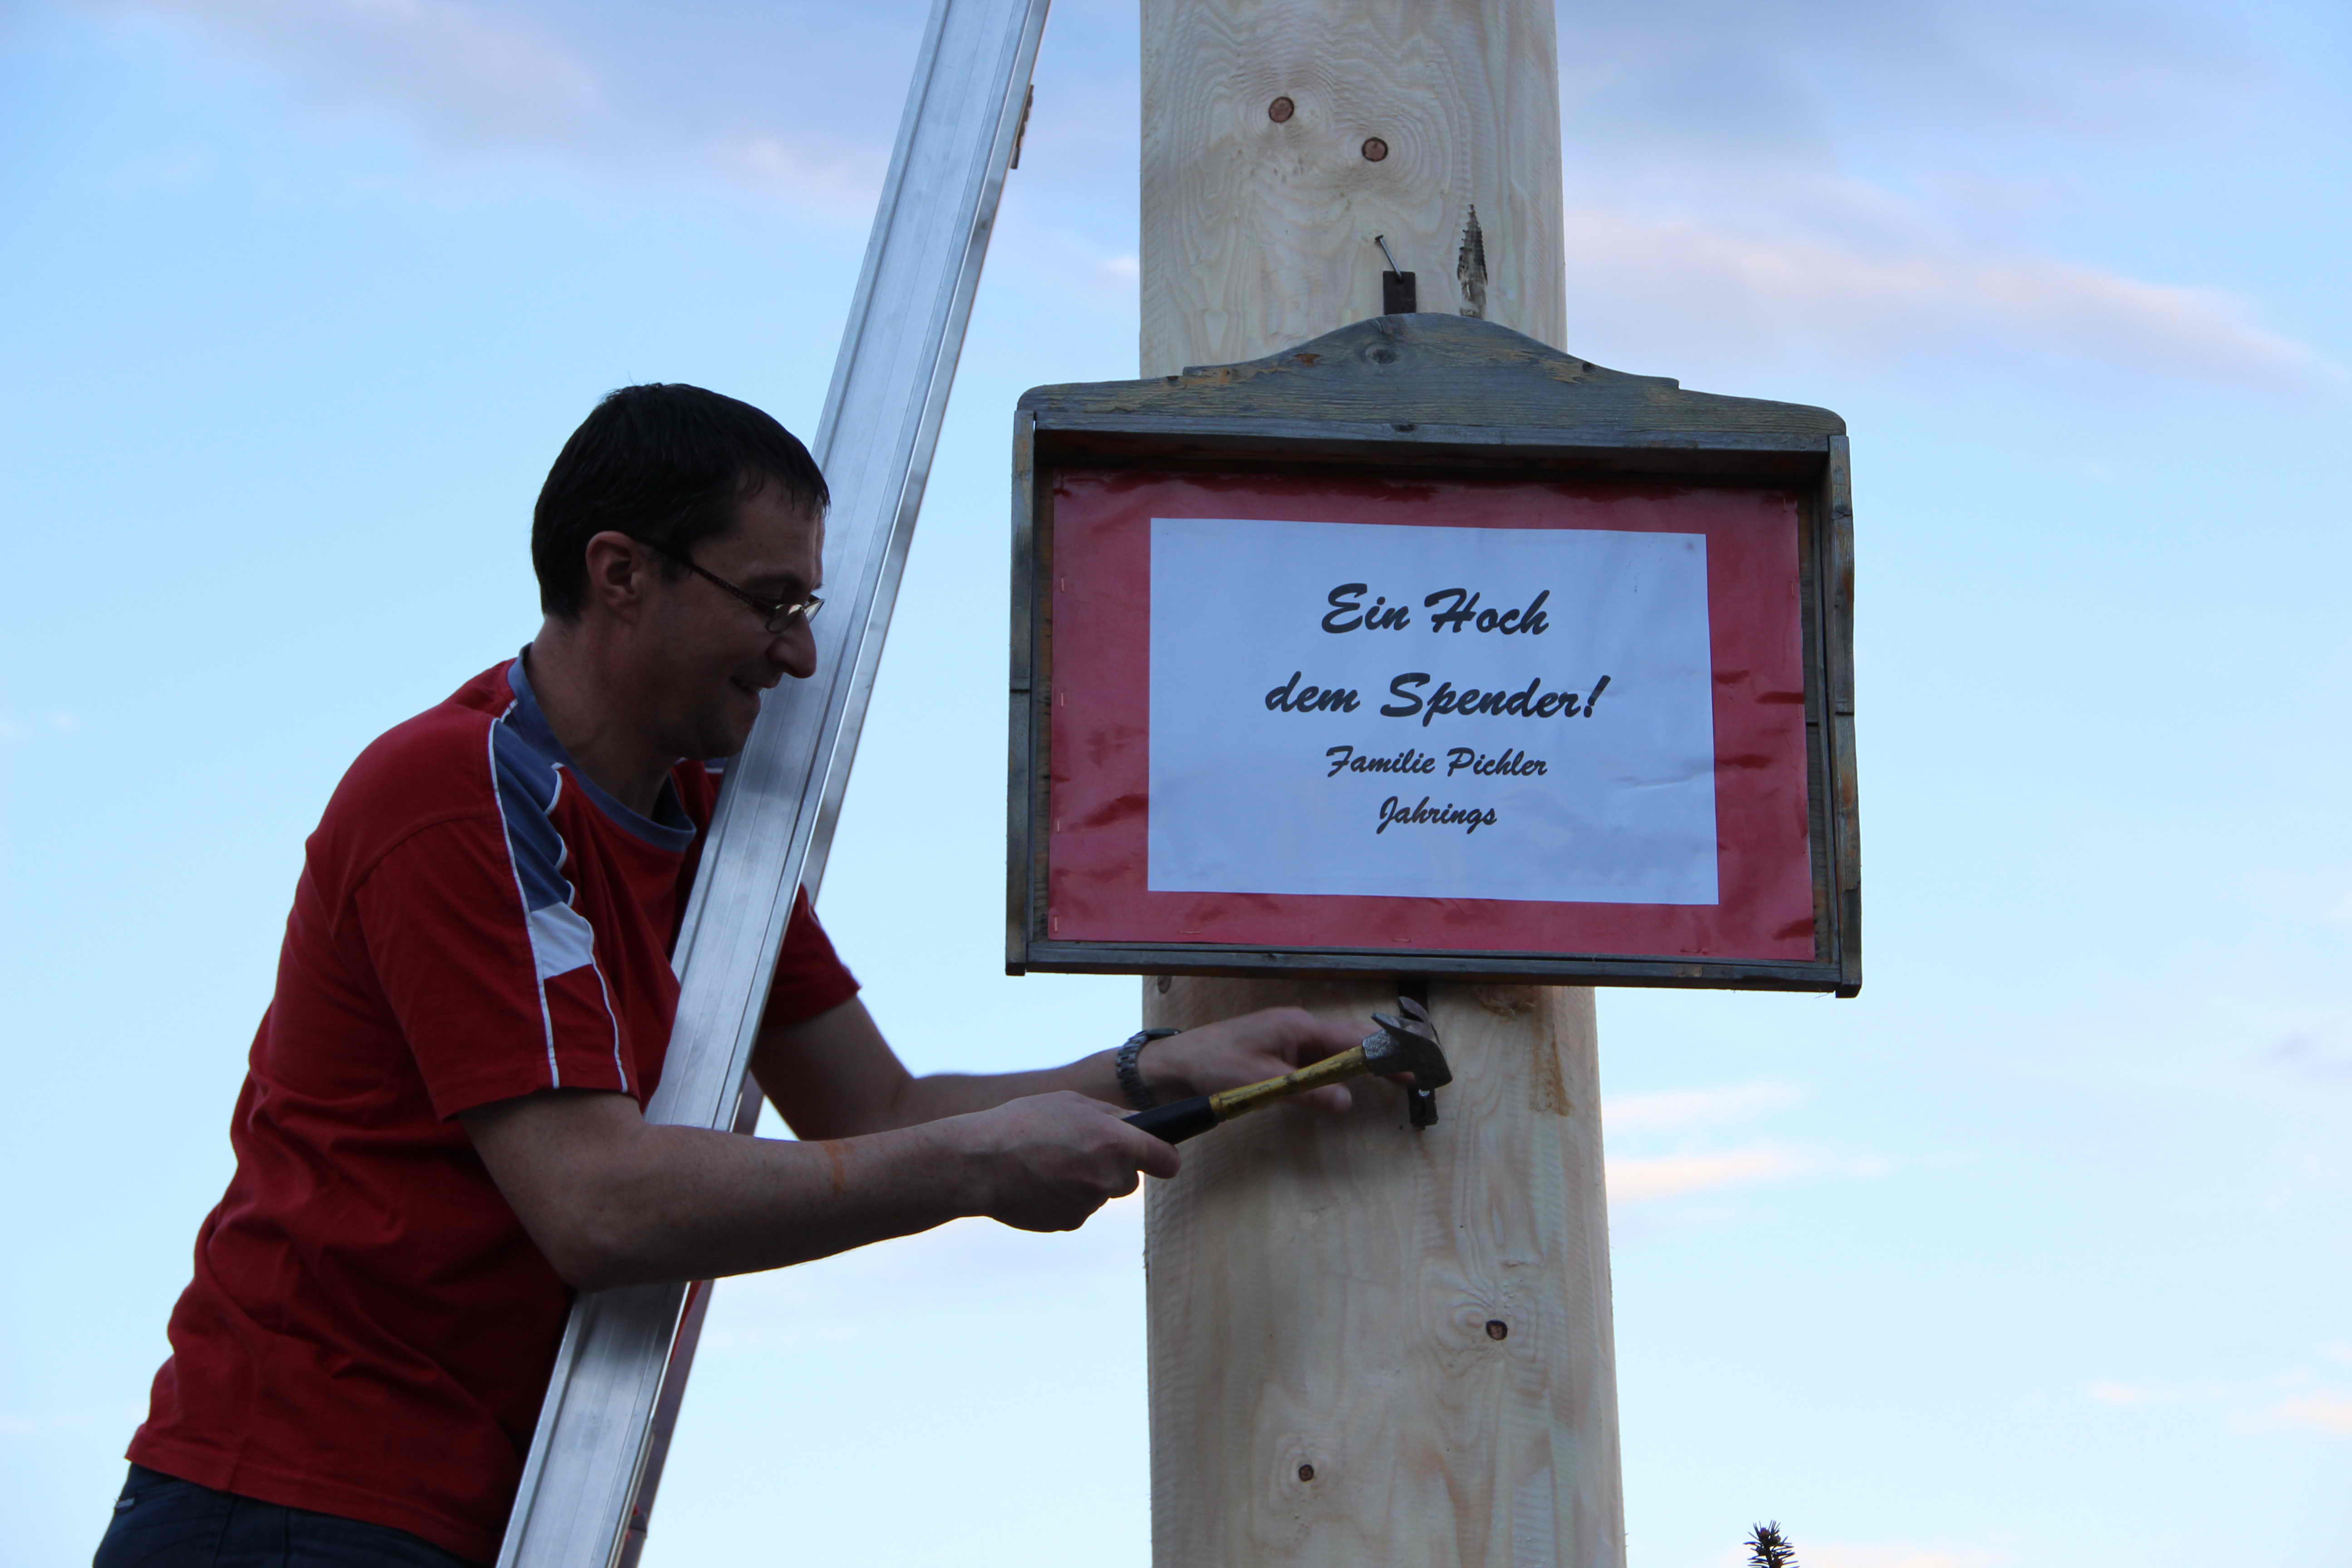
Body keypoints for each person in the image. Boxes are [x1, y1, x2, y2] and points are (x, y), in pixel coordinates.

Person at [96, 384, 1361, 1568]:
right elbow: (595, 1208)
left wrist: (1149, 1070)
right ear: (621, 573)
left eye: (802, 613)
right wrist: (978, 1171)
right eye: (772, 604)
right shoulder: (452, 797)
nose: (795, 656)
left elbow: (874, 1112)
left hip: (493, 1510)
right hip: (283, 1504)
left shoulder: (706, 834)